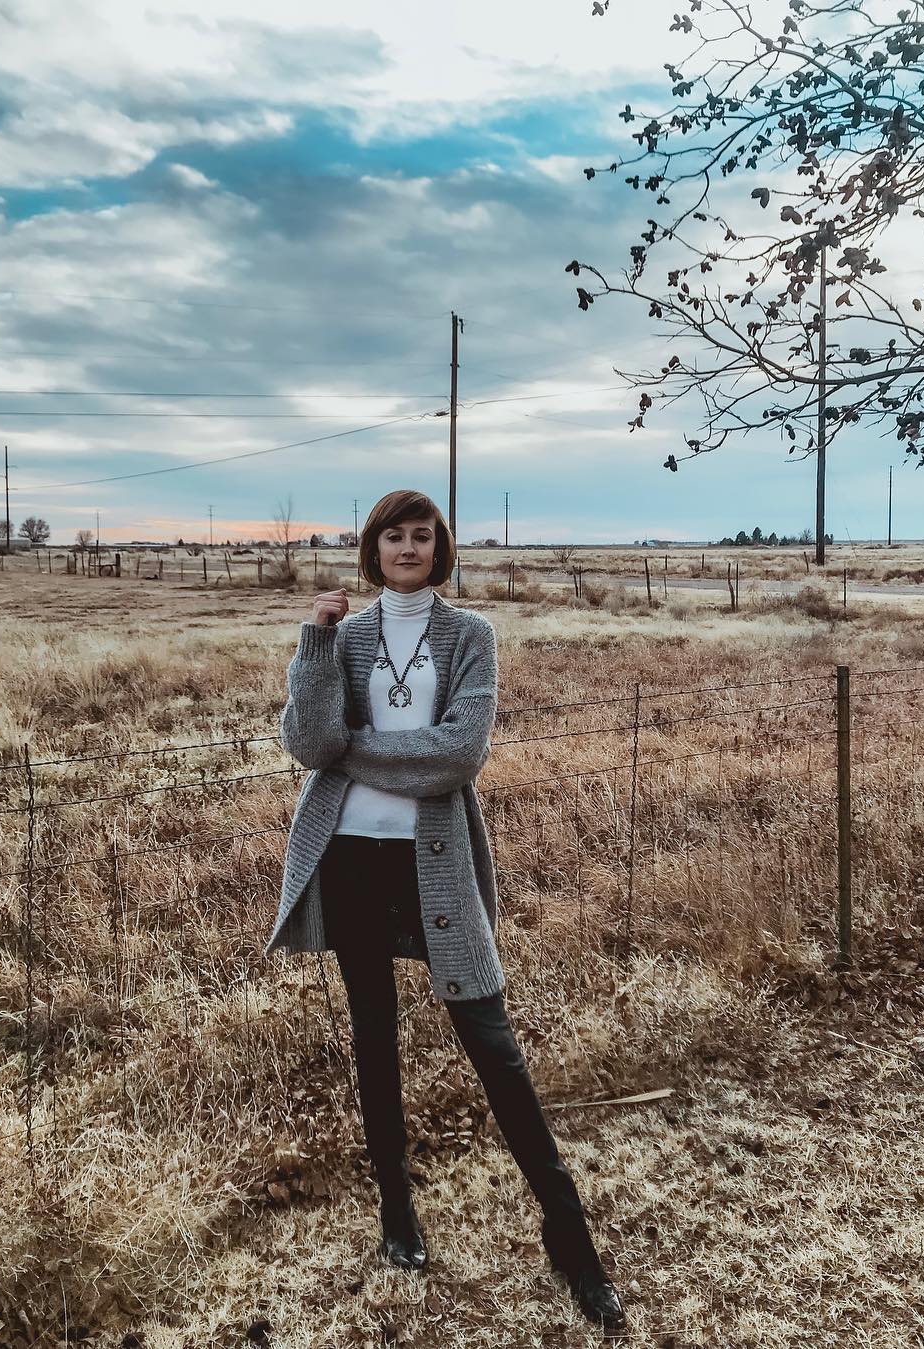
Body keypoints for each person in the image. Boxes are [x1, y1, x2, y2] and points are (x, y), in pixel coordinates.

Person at [264, 489, 626, 1332]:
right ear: (373, 546)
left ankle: (572, 1243)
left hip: (432, 862)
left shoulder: (470, 637)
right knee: (374, 1033)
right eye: (394, 533)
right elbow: (310, 744)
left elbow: (457, 754)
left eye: (422, 534)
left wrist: (358, 751)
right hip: (350, 858)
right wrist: (313, 643)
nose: (409, 545)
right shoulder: (346, 637)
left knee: (492, 1043)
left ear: (440, 547)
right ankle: (399, 1216)